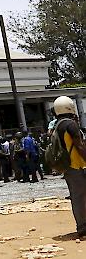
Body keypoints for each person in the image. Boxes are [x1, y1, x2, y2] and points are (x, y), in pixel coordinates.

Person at [52, 96, 86, 238]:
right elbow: (79, 145)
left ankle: (82, 226)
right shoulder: (70, 125)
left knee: (77, 197)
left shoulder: (57, 125)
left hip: (68, 167)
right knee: (80, 197)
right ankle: (83, 228)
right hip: (77, 165)